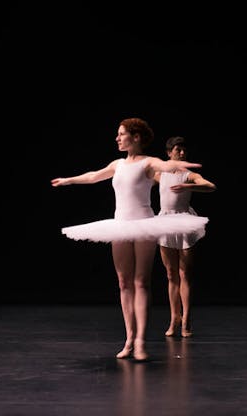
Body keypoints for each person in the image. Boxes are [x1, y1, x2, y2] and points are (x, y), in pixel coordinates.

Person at [50, 118, 208, 361]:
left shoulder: (148, 162)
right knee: (124, 282)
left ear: (136, 137)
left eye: (121, 134)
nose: (117, 138)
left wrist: (184, 165)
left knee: (141, 282)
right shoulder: (117, 164)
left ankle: (141, 341)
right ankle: (129, 339)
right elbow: (94, 176)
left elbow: (165, 166)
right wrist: (69, 180)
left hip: (143, 225)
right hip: (120, 225)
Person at [153, 136, 216, 338]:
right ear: (169, 152)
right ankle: (174, 317)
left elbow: (210, 186)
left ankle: (187, 319)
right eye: (178, 150)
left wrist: (188, 186)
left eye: (183, 150)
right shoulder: (160, 174)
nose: (182, 153)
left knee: (184, 274)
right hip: (165, 222)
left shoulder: (188, 175)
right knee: (171, 275)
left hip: (184, 222)